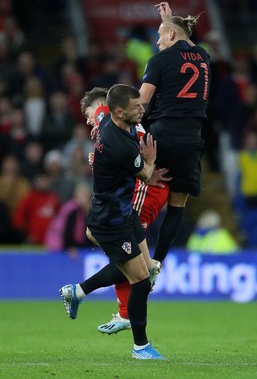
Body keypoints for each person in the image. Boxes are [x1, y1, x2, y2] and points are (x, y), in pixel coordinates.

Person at [59, 84, 167, 360]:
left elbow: (100, 108)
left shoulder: (109, 118)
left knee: (147, 269)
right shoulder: (117, 142)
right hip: (110, 221)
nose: (141, 109)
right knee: (141, 281)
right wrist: (151, 161)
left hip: (122, 212)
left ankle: (78, 291)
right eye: (136, 108)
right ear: (119, 113)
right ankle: (141, 348)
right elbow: (144, 174)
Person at [139, 1, 211, 263]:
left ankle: (131, 251)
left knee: (141, 186)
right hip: (191, 140)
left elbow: (143, 100)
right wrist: (172, 21)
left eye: (160, 35)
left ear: (170, 35)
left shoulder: (159, 60)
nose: (157, 42)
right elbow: (187, 44)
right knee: (177, 206)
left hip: (162, 136)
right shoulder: (203, 57)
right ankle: (158, 262)